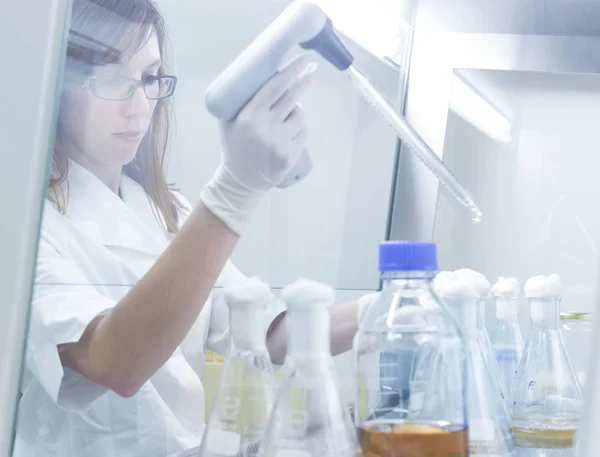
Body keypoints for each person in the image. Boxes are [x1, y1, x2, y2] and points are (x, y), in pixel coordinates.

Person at [14, 1, 370, 456]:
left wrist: (381, 312)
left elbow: (263, 331)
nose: (139, 105)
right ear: (55, 82)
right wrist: (235, 191)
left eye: (148, 78)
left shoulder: (165, 209)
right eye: (110, 78)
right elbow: (115, 361)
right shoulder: (24, 226)